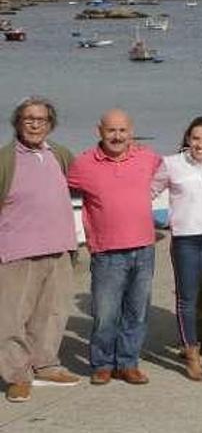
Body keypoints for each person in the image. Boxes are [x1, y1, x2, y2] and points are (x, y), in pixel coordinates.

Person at [68, 109, 162, 387]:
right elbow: (55, 189)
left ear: (131, 132)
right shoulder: (83, 164)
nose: (117, 136)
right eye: (111, 130)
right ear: (100, 131)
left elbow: (178, 170)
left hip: (144, 248)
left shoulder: (147, 158)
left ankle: (128, 363)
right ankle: (102, 364)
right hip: (107, 252)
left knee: (137, 311)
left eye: (122, 130)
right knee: (106, 314)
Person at [0, 97, 80, 403]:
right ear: (17, 123)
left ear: (51, 124)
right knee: (11, 317)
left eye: (42, 119)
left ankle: (45, 364)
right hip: (16, 249)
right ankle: (17, 375)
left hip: (58, 246)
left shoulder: (59, 154)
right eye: (28, 119)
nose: (35, 124)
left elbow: (86, 182)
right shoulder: (6, 159)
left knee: (51, 313)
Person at [151, 117, 202, 382]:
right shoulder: (171, 164)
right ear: (188, 139)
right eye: (196, 138)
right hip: (187, 239)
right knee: (187, 299)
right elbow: (147, 192)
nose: (200, 144)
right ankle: (192, 355)